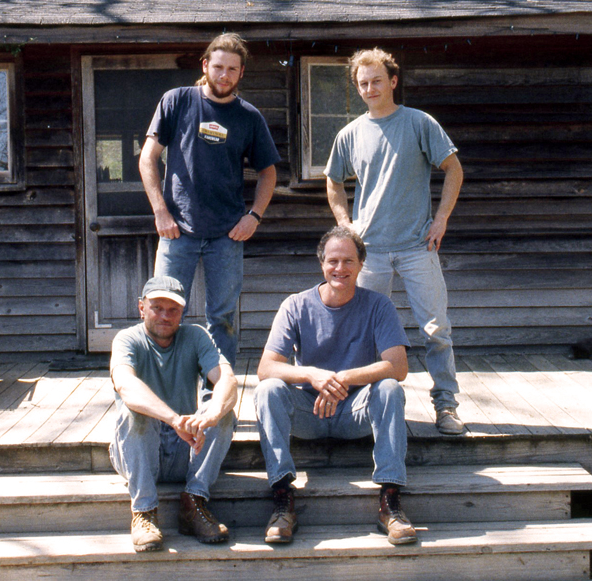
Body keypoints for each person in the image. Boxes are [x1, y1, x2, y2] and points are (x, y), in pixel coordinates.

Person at [324, 47, 465, 435]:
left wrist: (441, 219)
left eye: (376, 81)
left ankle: (446, 405)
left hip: (418, 246)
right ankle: (364, 406)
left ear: (393, 81)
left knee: (436, 329)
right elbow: (333, 180)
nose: (370, 88)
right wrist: (344, 223)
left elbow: (453, 169)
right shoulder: (350, 134)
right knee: (362, 330)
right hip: (369, 252)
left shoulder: (419, 123)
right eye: (363, 83)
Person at [254, 226, 416, 546]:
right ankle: (283, 497)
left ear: (361, 265)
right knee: (267, 390)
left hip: (355, 411)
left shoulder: (378, 305)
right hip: (310, 412)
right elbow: (265, 367)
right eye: (333, 261)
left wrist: (344, 377)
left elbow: (398, 367)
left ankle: (390, 501)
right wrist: (312, 375)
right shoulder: (296, 305)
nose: (340, 269)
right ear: (322, 264)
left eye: (348, 261)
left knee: (390, 389)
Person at [139, 32, 280, 368]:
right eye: (218, 66)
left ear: (241, 72)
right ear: (206, 65)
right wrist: (160, 211)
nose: (224, 75)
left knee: (223, 319)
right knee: (164, 312)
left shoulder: (248, 117)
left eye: (232, 69)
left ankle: (218, 398)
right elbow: (148, 158)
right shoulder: (177, 101)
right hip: (177, 233)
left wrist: (254, 216)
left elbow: (269, 173)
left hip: (226, 236)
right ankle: (166, 399)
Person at [109, 276, 238, 552]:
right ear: (141, 307)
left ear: (183, 312)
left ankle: (194, 502)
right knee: (135, 412)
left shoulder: (195, 336)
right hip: (138, 452)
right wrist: (173, 419)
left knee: (225, 411)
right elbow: (126, 385)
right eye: (157, 308)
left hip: (186, 447)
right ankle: (144, 512)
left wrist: (212, 415)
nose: (165, 316)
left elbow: (226, 379)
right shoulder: (127, 339)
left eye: (173, 310)